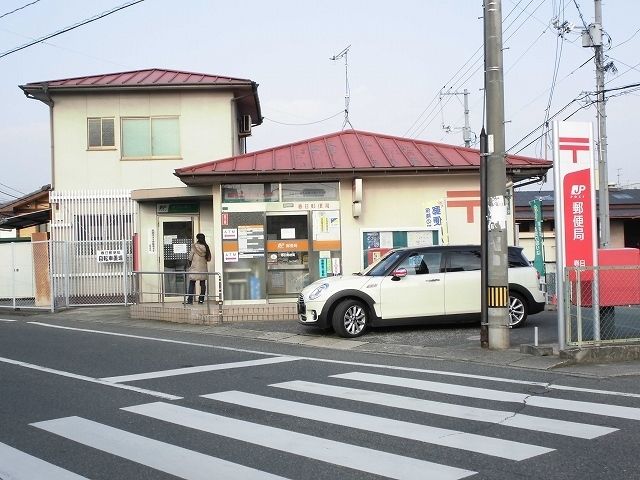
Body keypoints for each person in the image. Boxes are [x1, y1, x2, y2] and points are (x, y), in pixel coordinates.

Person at [185, 233, 211, 304]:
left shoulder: (194, 246)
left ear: (197, 238)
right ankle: (201, 299)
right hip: (203, 268)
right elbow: (209, 259)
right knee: (202, 284)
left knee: (192, 283)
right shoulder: (206, 247)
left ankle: (190, 300)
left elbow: (190, 258)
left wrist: (190, 265)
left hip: (195, 268)